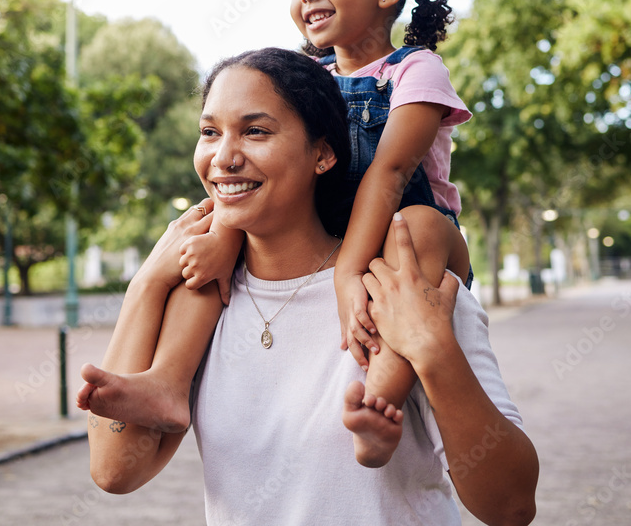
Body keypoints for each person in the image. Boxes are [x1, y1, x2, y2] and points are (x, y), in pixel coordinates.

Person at [78, 48, 538, 525]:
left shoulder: (401, 286)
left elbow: (511, 506)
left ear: (322, 153)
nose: (224, 157)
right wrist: (147, 282)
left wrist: (432, 347)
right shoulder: (201, 298)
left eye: (255, 131)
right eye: (210, 132)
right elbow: (113, 471)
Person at [290, 0, 472, 467]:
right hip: (336, 233)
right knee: (221, 219)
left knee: (414, 227)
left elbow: (390, 172)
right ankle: (164, 380)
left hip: (417, 238)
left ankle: (378, 405)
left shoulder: (415, 69)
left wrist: (348, 270)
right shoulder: (304, 81)